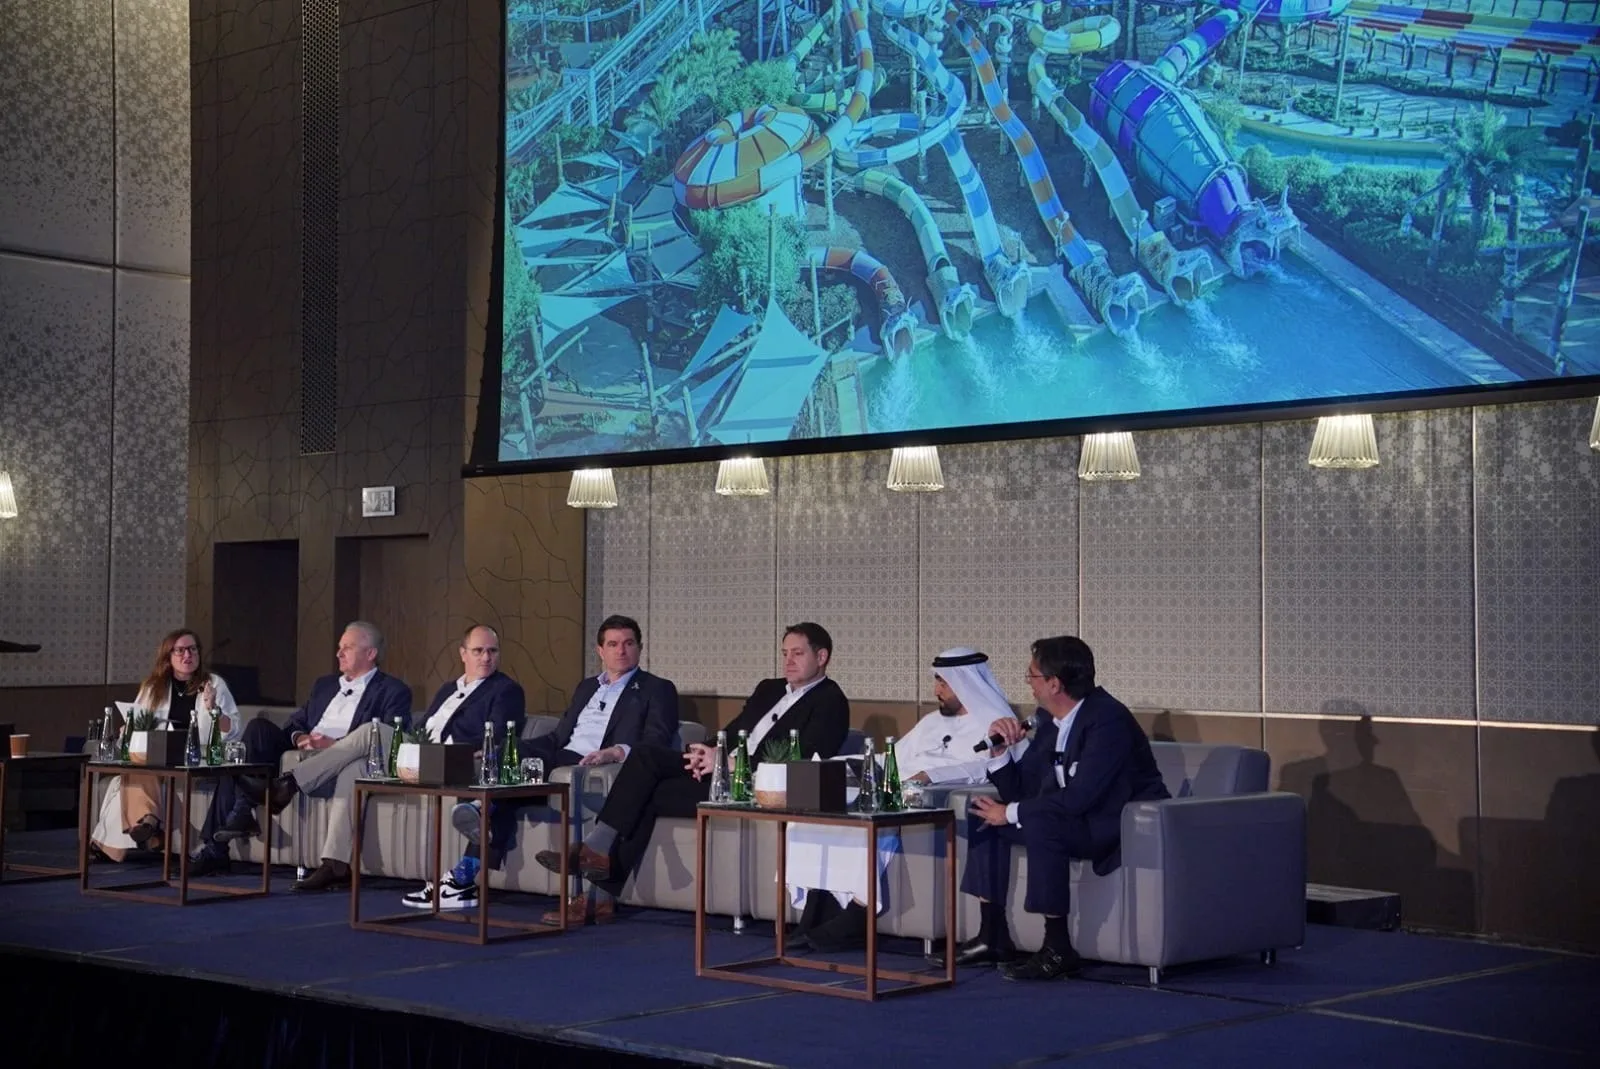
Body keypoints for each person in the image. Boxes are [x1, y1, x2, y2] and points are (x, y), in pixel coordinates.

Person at [534, 623, 849, 896]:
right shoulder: (769, 689)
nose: (788, 661)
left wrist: (725, 763)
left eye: (797, 653)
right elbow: (732, 732)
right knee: (645, 757)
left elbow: (804, 760)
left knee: (647, 794)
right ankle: (597, 857)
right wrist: (704, 752)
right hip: (717, 769)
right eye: (785, 653)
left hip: (753, 785)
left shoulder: (830, 701)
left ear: (821, 657)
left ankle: (598, 875)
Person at [402, 615, 678, 921]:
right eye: (613, 644)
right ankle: (477, 829)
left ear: (640, 648)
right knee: (509, 760)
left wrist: (616, 751)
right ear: (600, 651)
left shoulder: (657, 688)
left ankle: (467, 862)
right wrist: (512, 748)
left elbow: (656, 741)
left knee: (505, 789)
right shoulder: (587, 687)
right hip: (563, 754)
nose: (621, 651)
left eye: (628, 644)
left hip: (596, 763)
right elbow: (559, 736)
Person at [935, 635, 1168, 981]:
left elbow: (1080, 798)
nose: (1028, 684)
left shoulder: (1108, 720)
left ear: (1054, 683)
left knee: (1042, 823)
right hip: (1075, 818)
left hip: (1117, 824)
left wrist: (1010, 813)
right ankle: (992, 935)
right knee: (984, 814)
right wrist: (1000, 755)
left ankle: (1057, 948)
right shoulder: (1050, 721)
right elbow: (1023, 791)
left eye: (1032, 676)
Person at [783, 647, 1017, 951]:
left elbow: (986, 767)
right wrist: (843, 763)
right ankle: (818, 908)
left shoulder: (996, 725)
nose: (936, 691)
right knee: (815, 810)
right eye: (936, 681)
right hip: (892, 785)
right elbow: (893, 757)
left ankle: (856, 914)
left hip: (922, 796)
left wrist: (929, 775)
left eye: (943, 683)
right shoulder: (931, 722)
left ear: (965, 683)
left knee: (872, 814)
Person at [193, 621, 413, 887]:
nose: (339, 653)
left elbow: (386, 739)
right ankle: (223, 838)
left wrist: (335, 745)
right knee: (256, 731)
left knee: (364, 741)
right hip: (303, 753)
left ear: (370, 653)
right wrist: (301, 738)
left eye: (348, 647)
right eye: (339, 647)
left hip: (339, 763)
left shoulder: (393, 690)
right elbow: (295, 723)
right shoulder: (325, 685)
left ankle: (281, 788)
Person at [90, 629, 239, 862]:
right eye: (180, 650)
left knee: (129, 776)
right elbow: (138, 721)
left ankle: (144, 829)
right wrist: (128, 729)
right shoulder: (153, 687)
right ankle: (149, 825)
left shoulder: (213, 684)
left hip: (195, 759)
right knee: (139, 766)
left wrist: (213, 709)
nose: (187, 655)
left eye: (192, 649)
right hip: (158, 754)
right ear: (168, 656)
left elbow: (233, 729)